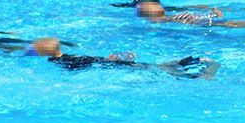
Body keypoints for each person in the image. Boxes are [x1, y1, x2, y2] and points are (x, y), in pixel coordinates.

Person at [25, 37, 220, 79]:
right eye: (41, 42)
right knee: (154, 69)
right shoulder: (58, 62)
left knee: (152, 66)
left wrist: (111, 58)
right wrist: (111, 62)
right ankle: (200, 77)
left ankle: (191, 65)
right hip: (115, 69)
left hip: (113, 65)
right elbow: (88, 68)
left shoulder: (66, 57)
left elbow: (90, 62)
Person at [136, 0, 245, 33]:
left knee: (229, 23)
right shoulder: (163, 20)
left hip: (197, 20)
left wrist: (212, 10)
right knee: (229, 23)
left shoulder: (168, 17)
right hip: (195, 22)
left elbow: (196, 8)